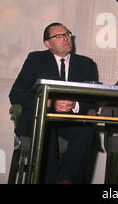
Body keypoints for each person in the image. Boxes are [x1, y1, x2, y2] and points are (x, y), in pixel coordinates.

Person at [9, 22, 98, 184]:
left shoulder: (86, 64)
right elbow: (16, 93)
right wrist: (49, 103)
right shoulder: (35, 59)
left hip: (70, 120)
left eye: (67, 34)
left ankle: (66, 180)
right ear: (48, 44)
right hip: (40, 117)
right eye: (59, 36)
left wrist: (75, 105)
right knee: (45, 128)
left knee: (87, 130)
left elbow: (92, 100)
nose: (66, 38)